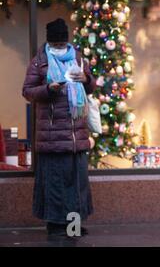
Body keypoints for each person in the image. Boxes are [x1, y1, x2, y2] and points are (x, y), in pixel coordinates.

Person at [22, 18, 96, 237]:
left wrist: (86, 79)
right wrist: (48, 89)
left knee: (77, 185)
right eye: (55, 45)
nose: (59, 48)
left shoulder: (78, 59)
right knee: (55, 184)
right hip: (52, 135)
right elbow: (27, 91)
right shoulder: (39, 62)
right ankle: (55, 226)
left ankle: (73, 226)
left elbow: (91, 86)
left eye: (61, 44)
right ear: (49, 42)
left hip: (76, 135)